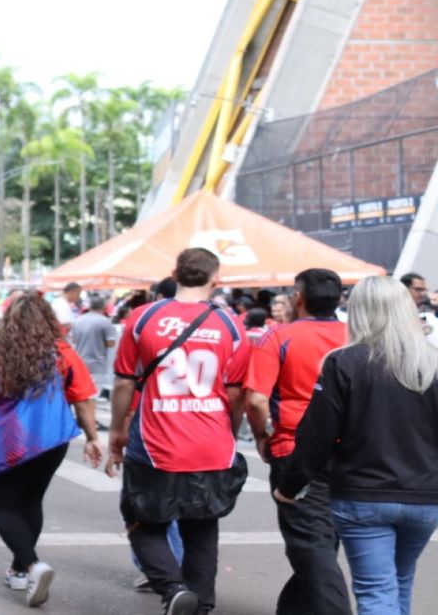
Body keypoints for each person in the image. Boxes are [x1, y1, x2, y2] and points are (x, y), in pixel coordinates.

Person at [275, 275, 438, 615]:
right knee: (399, 581)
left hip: (363, 494)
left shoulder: (344, 362)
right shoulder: (432, 362)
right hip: (424, 495)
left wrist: (291, 484)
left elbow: (317, 434)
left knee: (376, 589)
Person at [107, 248, 251, 615]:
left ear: (175, 273)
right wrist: (229, 433)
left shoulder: (143, 318)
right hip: (212, 444)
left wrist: (116, 434)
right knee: (202, 527)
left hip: (156, 443)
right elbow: (236, 393)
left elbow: (124, 383)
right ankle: (199, 605)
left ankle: (173, 589)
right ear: (214, 278)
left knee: (140, 517)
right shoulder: (232, 325)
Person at [0, 292, 103, 608]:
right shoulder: (61, 351)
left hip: (2, 440)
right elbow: (83, 397)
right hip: (51, 440)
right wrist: (92, 437)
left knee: (2, 506)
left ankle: (32, 564)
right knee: (30, 501)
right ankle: (20, 569)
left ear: (6, 320)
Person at [244, 269, 350, 615]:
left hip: (295, 449)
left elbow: (257, 400)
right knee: (322, 539)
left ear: (298, 298)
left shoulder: (278, 337)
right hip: (351, 452)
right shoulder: (358, 335)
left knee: (311, 543)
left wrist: (261, 436)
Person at [69, 294, 116, 399]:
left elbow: (73, 340)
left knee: (83, 396)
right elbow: (111, 344)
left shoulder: (77, 321)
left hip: (80, 363)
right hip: (98, 365)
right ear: (104, 307)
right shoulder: (105, 322)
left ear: (89, 306)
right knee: (94, 396)